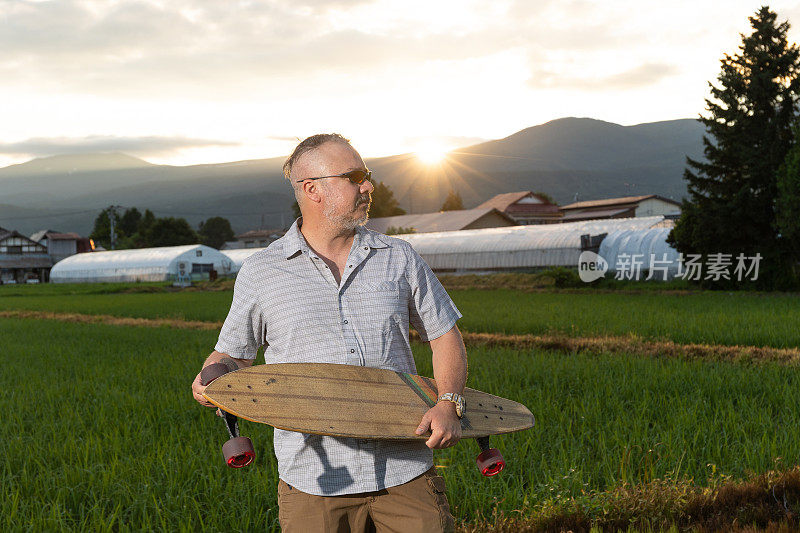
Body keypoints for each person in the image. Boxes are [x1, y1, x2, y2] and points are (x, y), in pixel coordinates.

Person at [191, 133, 467, 532]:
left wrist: (448, 402)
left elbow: (444, 335)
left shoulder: (399, 257)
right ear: (312, 189)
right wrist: (210, 379)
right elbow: (233, 355)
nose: (368, 186)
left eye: (366, 175)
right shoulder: (262, 272)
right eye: (354, 177)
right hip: (313, 482)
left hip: (405, 469)